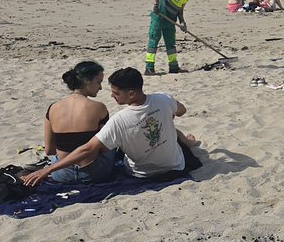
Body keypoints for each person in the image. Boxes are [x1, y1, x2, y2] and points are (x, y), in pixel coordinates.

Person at [22, 67, 199, 187]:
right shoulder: (163, 98)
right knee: (170, 129)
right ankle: (189, 143)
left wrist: (49, 169)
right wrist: (167, 113)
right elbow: (182, 110)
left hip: (141, 173)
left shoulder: (119, 120)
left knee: (111, 141)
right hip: (175, 165)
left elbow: (87, 149)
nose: (112, 96)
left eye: (115, 93)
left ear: (130, 94)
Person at [42, 61, 114, 184]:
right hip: (93, 173)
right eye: (98, 82)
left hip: (61, 173)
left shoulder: (53, 108)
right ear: (87, 81)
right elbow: (103, 146)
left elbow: (49, 150)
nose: (100, 87)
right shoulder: (99, 107)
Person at [146, 0, 207, 75]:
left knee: (171, 43)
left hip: (171, 20)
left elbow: (180, 8)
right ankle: (149, 68)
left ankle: (173, 67)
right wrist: (156, 5)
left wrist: (182, 22)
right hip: (159, 16)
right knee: (154, 41)